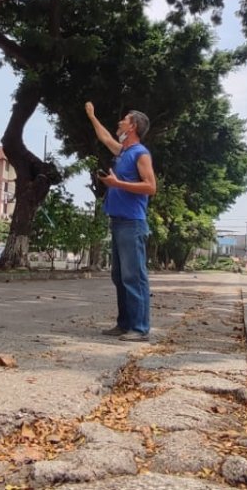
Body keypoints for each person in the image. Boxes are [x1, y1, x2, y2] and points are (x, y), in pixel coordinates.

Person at [86, 102, 158, 342]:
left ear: (133, 126)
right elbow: (105, 137)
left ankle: (139, 328)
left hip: (132, 223)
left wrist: (117, 184)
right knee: (119, 276)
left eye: (124, 120)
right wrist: (92, 115)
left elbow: (150, 187)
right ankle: (124, 323)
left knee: (134, 277)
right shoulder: (123, 152)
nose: (119, 123)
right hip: (118, 222)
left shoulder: (140, 153)